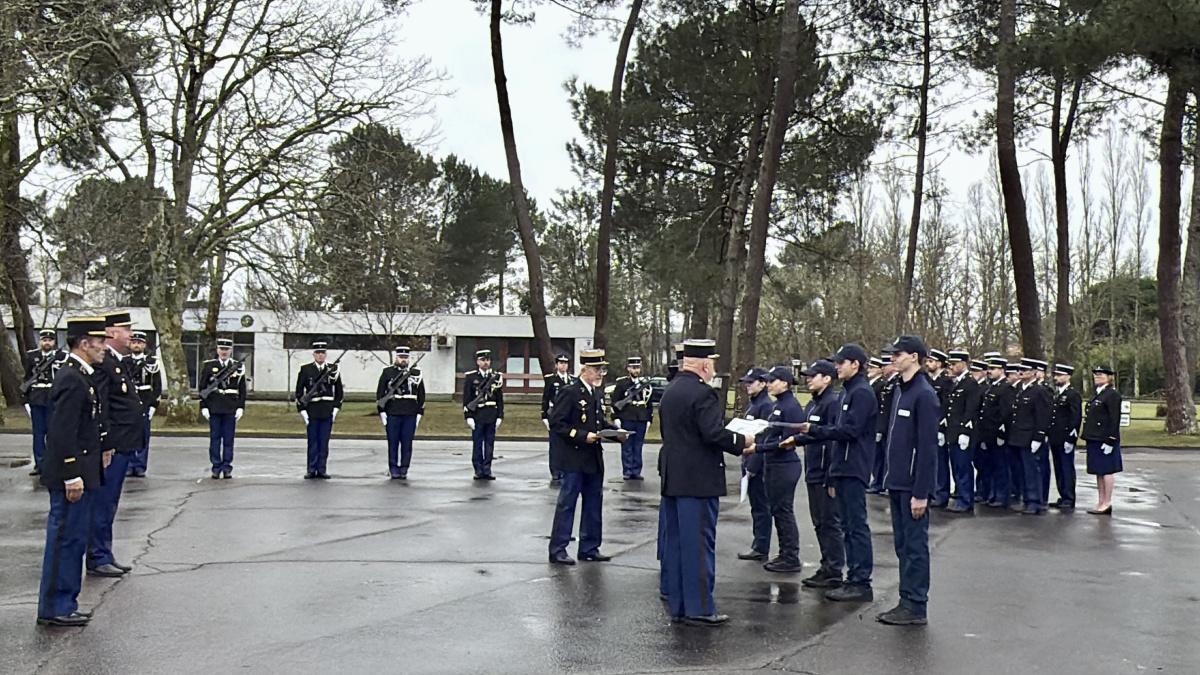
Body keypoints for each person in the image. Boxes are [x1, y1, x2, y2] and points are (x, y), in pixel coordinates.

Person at [657, 338, 753, 626]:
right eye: (711, 363)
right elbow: (713, 432)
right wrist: (742, 441)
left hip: (674, 477)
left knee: (677, 545)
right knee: (699, 546)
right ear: (704, 365)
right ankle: (699, 608)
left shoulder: (671, 390)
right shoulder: (703, 394)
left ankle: (679, 605)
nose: (712, 368)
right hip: (698, 480)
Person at [37, 317, 106, 627]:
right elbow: (62, 432)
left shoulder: (82, 376)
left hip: (82, 472)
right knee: (64, 540)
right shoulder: (71, 378)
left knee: (74, 540)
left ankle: (66, 602)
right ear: (84, 343)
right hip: (71, 475)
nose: (103, 348)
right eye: (99, 342)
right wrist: (71, 474)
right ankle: (55, 607)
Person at [797, 343, 879, 603]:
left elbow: (850, 431)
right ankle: (850, 577)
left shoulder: (862, 392)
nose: (837, 367)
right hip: (843, 466)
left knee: (855, 526)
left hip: (854, 467)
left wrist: (815, 430)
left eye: (841, 363)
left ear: (855, 364)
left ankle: (860, 581)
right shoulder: (848, 392)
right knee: (847, 525)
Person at [876, 335, 939, 626]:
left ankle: (915, 605)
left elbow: (927, 448)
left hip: (912, 486)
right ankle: (906, 600)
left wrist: (921, 492)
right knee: (903, 545)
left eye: (898, 354)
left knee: (914, 547)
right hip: (897, 481)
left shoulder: (923, 394)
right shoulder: (900, 390)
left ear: (914, 357)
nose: (892, 359)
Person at [547, 349, 625, 565]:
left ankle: (589, 547)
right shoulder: (570, 392)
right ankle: (558, 549)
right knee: (567, 504)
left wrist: (617, 433)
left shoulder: (596, 393)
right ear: (584, 370)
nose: (600, 374)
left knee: (593, 503)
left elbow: (598, 422)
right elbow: (557, 424)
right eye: (597, 369)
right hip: (574, 458)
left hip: (593, 458)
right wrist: (582, 436)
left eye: (602, 370)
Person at [87, 311, 144, 579]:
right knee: (103, 502)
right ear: (111, 332)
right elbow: (101, 407)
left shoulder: (116, 362)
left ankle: (105, 553)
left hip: (123, 444)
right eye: (126, 329)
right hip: (112, 447)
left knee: (110, 503)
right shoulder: (103, 364)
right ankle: (98, 556)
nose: (130, 334)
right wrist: (106, 443)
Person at [782, 359, 845, 588]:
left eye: (813, 376)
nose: (808, 380)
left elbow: (833, 438)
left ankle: (834, 570)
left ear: (827, 379)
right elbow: (812, 434)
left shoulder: (832, 403)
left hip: (825, 471)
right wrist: (796, 440)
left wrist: (831, 475)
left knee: (829, 523)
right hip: (813, 469)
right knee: (819, 522)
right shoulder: (814, 404)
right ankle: (826, 565)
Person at [744, 365, 804, 573]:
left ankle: (790, 556)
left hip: (784, 465)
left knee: (783, 511)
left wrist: (759, 448)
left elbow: (788, 440)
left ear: (785, 383)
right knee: (778, 511)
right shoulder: (779, 405)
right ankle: (784, 553)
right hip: (774, 464)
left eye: (773, 381)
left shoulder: (791, 406)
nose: (769, 384)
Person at [198, 337, 246, 479]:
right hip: (214, 407)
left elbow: (242, 389)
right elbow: (203, 388)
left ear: (231, 351)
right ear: (217, 350)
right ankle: (216, 466)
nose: (224, 352)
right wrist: (204, 406)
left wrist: (240, 407)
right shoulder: (209, 366)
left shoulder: (237, 367)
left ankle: (227, 467)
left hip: (230, 407)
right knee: (215, 439)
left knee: (228, 440)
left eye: (227, 349)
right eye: (221, 349)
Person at [1009, 358, 1052, 515]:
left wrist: (1038, 437)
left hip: (1030, 436)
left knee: (1032, 471)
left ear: (1034, 372)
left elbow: (1043, 416)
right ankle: (1027, 499)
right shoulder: (1021, 390)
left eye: (1025, 370)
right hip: (1019, 436)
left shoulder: (1039, 391)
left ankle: (1035, 501)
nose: (1021, 372)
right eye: (1020, 370)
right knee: (1023, 470)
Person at [295, 339, 344, 479]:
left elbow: (339, 392)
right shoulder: (306, 370)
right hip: (312, 410)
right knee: (313, 442)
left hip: (327, 410)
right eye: (318, 353)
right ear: (314, 354)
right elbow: (299, 392)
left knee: (324, 442)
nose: (320, 355)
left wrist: (335, 409)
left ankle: (322, 469)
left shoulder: (332, 370)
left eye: (323, 353)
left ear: (326, 354)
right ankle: (311, 469)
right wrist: (303, 411)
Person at [376, 346, 425, 479]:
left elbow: (421, 394)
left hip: (410, 412)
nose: (403, 360)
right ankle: (393, 468)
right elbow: (380, 393)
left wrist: (419, 413)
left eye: (406, 358)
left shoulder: (416, 373)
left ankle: (404, 468)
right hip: (393, 412)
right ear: (396, 358)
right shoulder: (388, 372)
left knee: (407, 443)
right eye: (401, 357)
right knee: (393, 443)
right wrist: (382, 412)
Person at [943, 350, 982, 514]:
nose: (951, 367)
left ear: (963, 364)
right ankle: (961, 497)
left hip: (963, 432)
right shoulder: (957, 383)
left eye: (954, 364)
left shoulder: (970, 384)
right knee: (956, 467)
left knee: (963, 467)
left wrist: (965, 431)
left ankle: (966, 500)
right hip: (953, 431)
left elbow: (971, 409)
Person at [23, 329, 65, 477]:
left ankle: (53, 463)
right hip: (37, 398)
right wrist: (26, 399)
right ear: (40, 341)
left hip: (53, 398)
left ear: (54, 342)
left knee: (54, 433)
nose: (47, 343)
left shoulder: (62, 357)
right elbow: (27, 377)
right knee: (38, 433)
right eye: (44, 340)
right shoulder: (32, 356)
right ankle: (40, 464)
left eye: (50, 340)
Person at [1083, 366, 1122, 515]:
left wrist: (1111, 439)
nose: (1097, 377)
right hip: (1095, 438)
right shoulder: (1098, 394)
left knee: (1107, 471)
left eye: (1101, 375)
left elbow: (1114, 418)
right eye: (1096, 375)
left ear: (1109, 377)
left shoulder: (1112, 394)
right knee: (1098, 471)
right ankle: (1101, 501)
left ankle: (1107, 502)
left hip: (1105, 438)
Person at [124, 331, 162, 477]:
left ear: (144, 345)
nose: (136, 345)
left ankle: (140, 465)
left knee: (143, 435)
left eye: (139, 343)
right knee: (128, 435)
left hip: (144, 401)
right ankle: (129, 464)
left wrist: (153, 405)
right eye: (134, 342)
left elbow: (157, 386)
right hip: (128, 402)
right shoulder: (124, 362)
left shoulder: (151, 362)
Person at [463, 349, 504, 479]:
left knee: (489, 444)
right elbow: (467, 399)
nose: (486, 363)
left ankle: (487, 469)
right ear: (477, 362)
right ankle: (478, 469)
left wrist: (500, 416)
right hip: (478, 414)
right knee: (477, 444)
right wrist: (468, 416)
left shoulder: (496, 377)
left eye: (487, 360)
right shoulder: (471, 377)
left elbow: (499, 399)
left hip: (491, 414)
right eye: (483, 360)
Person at [611, 356, 654, 480]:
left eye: (638, 368)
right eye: (633, 368)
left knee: (638, 445)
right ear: (628, 369)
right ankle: (628, 470)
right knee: (627, 445)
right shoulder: (622, 384)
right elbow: (615, 402)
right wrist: (616, 417)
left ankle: (636, 470)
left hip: (641, 418)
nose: (636, 370)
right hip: (627, 417)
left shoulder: (644, 384)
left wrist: (649, 419)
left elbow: (649, 404)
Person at [1048, 364, 1082, 510]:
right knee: (1059, 468)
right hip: (1055, 436)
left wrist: (1071, 438)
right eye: (1055, 375)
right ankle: (1062, 494)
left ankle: (1069, 497)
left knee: (1066, 468)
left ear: (1068, 377)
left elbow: (1075, 417)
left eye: (1059, 375)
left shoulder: (1072, 394)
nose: (1056, 378)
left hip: (1065, 436)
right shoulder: (1057, 394)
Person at [925, 348, 954, 508]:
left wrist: (942, 426)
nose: (928, 364)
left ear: (939, 363)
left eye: (931, 361)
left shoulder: (946, 381)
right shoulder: (930, 381)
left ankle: (942, 493)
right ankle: (934, 490)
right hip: (930, 425)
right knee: (932, 461)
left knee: (941, 462)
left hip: (940, 425)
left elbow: (946, 405)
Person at [541, 354, 575, 485]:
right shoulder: (551, 380)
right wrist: (544, 416)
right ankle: (556, 471)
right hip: (555, 417)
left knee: (568, 445)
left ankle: (566, 469)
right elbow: (545, 398)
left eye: (565, 363)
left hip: (569, 418)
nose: (563, 365)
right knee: (556, 446)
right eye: (561, 363)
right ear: (556, 365)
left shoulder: (572, 380)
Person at [868, 354, 898, 494]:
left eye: (886, 365)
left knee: (884, 456)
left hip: (887, 426)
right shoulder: (887, 384)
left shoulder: (890, 384)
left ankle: (881, 482)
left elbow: (886, 408)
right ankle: (879, 481)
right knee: (878, 456)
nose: (884, 368)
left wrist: (881, 428)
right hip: (881, 425)